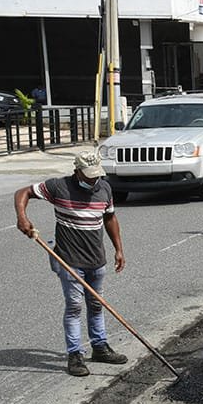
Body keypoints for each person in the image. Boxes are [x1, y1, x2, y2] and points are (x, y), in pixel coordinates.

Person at [13, 151, 127, 377]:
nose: (93, 181)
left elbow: (110, 218)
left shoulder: (104, 189)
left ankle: (100, 347)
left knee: (96, 304)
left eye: (96, 176)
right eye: (88, 177)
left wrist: (119, 249)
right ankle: (75, 355)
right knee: (74, 306)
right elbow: (23, 192)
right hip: (69, 260)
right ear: (76, 172)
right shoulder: (59, 187)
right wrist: (22, 217)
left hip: (97, 259)